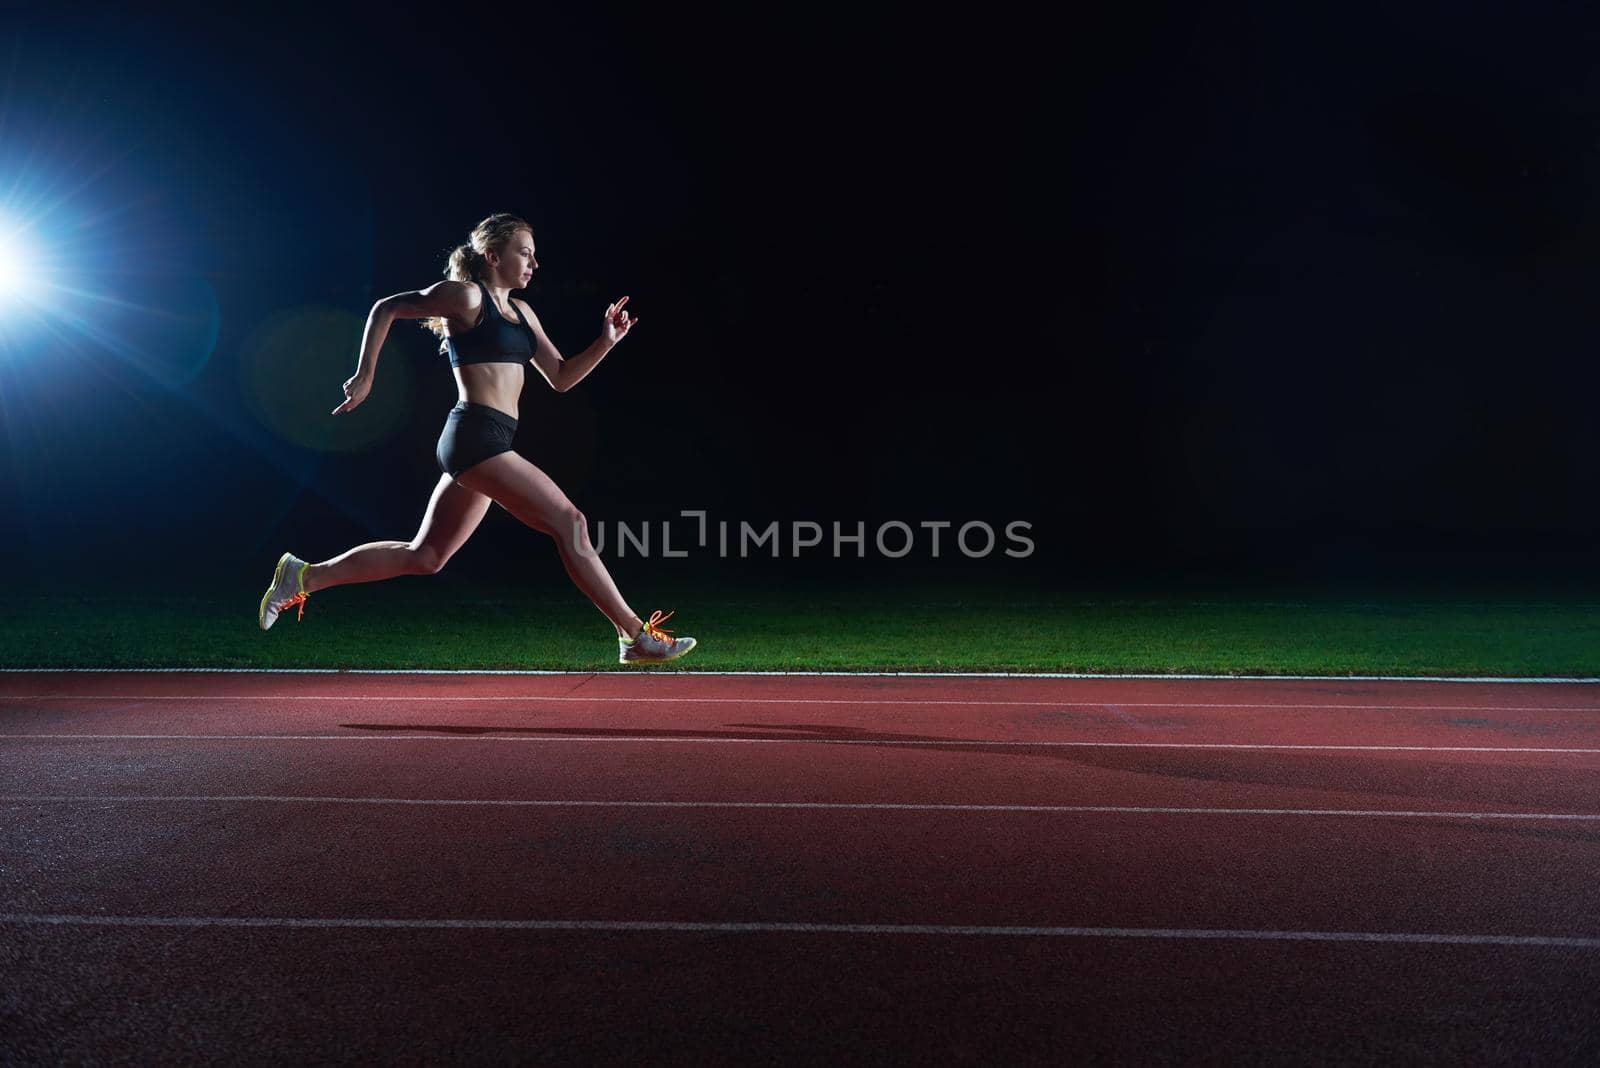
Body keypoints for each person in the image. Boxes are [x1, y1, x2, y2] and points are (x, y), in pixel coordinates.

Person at [256, 212, 695, 664]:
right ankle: (632, 635)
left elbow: (561, 377)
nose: (534, 264)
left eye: (534, 255)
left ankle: (302, 576)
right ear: (492, 255)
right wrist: (365, 376)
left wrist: (606, 341)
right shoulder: (466, 297)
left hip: (490, 440)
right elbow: (386, 307)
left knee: (426, 556)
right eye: (524, 253)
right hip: (475, 436)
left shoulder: (522, 312)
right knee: (572, 522)